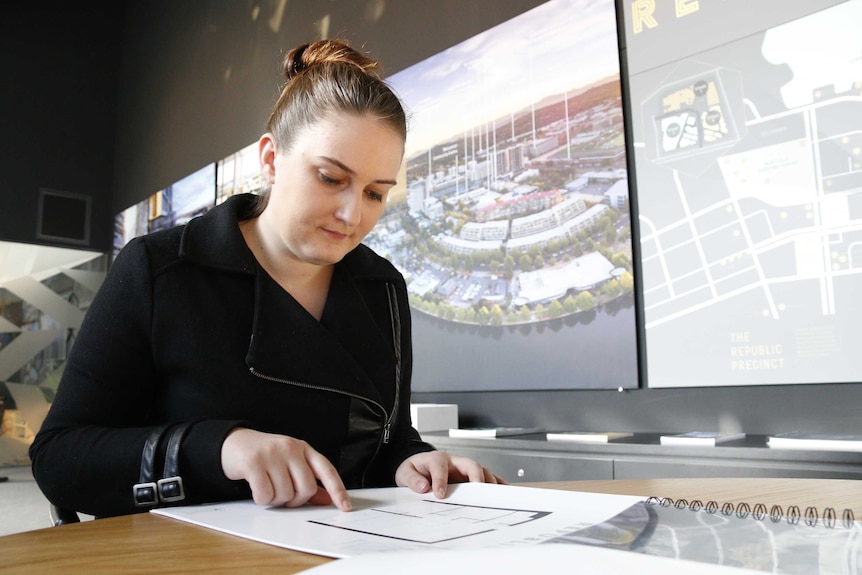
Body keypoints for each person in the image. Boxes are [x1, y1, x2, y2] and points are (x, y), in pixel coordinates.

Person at [30, 39, 503, 518]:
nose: (351, 213)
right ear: (271, 159)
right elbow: (59, 457)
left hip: (343, 549)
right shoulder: (160, 270)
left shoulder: (382, 287)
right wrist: (220, 448)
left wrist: (414, 464)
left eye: (375, 193)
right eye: (330, 178)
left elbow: (387, 440)